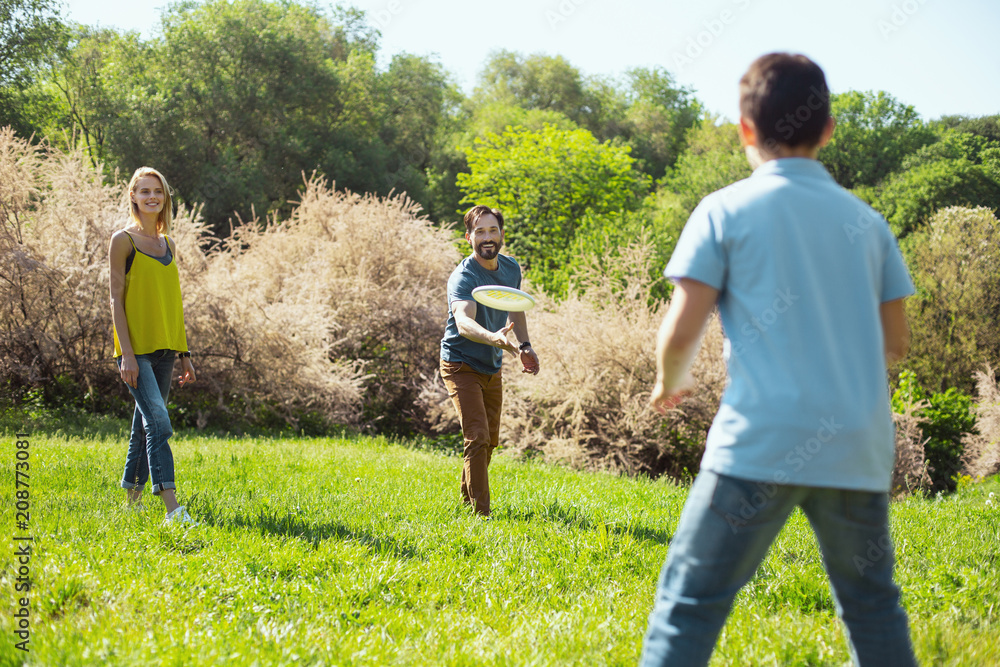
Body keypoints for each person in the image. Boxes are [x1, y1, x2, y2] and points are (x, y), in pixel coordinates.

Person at [640, 54, 918, 666]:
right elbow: (895, 343)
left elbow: (682, 329)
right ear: (828, 130)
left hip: (759, 443)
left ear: (745, 128)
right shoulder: (868, 224)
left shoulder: (724, 210)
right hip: (856, 444)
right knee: (872, 606)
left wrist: (669, 381)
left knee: (690, 604)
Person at [108, 166, 197, 525]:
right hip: (135, 351)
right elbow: (115, 299)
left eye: (157, 191)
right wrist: (126, 355)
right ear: (133, 196)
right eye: (144, 191)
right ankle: (172, 508)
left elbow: (173, 303)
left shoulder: (168, 245)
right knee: (159, 423)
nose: (152, 197)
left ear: (165, 198)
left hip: (165, 350)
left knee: (143, 425)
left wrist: (184, 354)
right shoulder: (122, 241)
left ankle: (132, 501)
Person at [440, 205, 540, 517]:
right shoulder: (464, 276)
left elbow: (516, 308)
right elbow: (463, 323)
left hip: (491, 364)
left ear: (502, 234)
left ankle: (466, 501)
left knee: (489, 441)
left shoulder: (510, 269)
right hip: (460, 363)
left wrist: (524, 346)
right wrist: (492, 337)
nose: (487, 237)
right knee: (477, 437)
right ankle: (481, 515)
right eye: (480, 231)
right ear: (468, 237)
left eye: (493, 230)